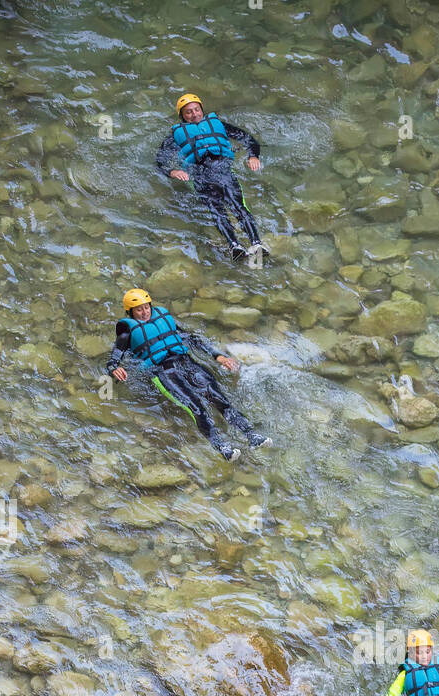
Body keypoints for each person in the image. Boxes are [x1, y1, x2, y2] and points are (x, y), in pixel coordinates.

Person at [107, 288, 271, 460]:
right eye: (139, 310)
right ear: (130, 311)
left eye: (146, 307)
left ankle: (252, 436)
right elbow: (113, 360)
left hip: (185, 362)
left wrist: (218, 356)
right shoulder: (126, 332)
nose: (144, 312)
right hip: (162, 372)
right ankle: (221, 446)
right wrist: (115, 369)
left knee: (218, 398)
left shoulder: (162, 317)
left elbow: (192, 339)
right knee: (195, 407)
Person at [156, 94, 267, 261]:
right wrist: (173, 172)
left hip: (223, 169)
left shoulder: (218, 125)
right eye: (188, 112)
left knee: (237, 205)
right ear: (182, 116)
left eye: (197, 110)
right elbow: (160, 160)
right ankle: (234, 246)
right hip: (198, 173)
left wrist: (253, 156)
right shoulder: (176, 136)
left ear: (202, 110)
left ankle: (256, 243)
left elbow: (247, 139)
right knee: (216, 210)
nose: (194, 114)